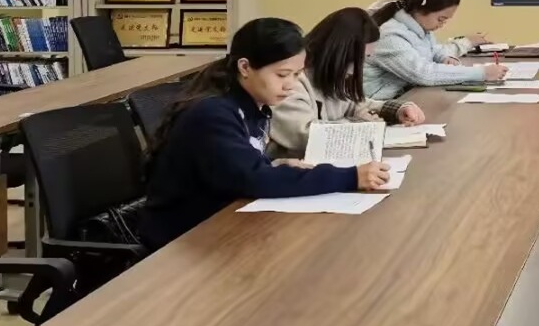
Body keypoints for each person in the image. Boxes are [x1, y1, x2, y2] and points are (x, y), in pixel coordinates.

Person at [139, 17, 390, 250]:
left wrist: (271, 163)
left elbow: (239, 165)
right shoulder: (213, 113)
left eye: (297, 75)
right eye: (282, 75)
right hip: (183, 240)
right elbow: (254, 179)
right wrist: (350, 176)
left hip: (224, 218)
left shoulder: (252, 104)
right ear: (245, 67)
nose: (290, 85)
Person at [271, 7, 429, 155]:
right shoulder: (291, 79)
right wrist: (358, 124)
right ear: (338, 53)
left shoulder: (333, 74)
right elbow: (304, 136)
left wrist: (396, 110)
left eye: (366, 58)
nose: (359, 68)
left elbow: (355, 105)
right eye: (357, 60)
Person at [364, 0, 509, 98]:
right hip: (377, 105)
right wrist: (482, 73)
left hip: (406, 95)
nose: (442, 25)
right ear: (423, 9)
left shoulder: (420, 27)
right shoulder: (389, 35)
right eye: (441, 19)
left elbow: (433, 50)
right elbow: (423, 73)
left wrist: (444, 57)